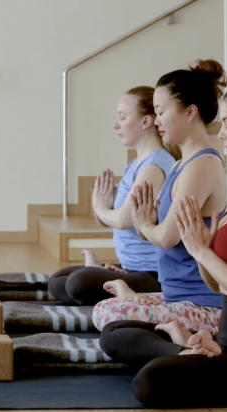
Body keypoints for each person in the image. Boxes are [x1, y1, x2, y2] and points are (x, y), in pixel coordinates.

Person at [101, 80, 227, 407]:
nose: (222, 133)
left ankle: (185, 348)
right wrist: (202, 250)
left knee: (149, 382)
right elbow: (216, 285)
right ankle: (190, 346)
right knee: (117, 333)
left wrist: (200, 250)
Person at [92, 59, 227, 334]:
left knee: (114, 325)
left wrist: (145, 224)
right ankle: (170, 333)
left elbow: (166, 237)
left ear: (190, 112)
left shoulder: (201, 166)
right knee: (106, 311)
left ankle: (186, 345)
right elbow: (158, 232)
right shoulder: (181, 164)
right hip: (175, 296)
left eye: (161, 112)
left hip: (202, 304)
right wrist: (146, 223)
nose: (157, 121)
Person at [49, 87, 176, 306]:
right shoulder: (135, 165)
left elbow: (121, 219)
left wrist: (101, 209)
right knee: (57, 282)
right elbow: (110, 217)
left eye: (122, 116)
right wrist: (102, 208)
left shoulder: (155, 167)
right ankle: (115, 283)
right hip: (130, 267)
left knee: (78, 283)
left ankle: (116, 287)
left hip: (153, 275)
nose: (115, 124)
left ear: (146, 122)